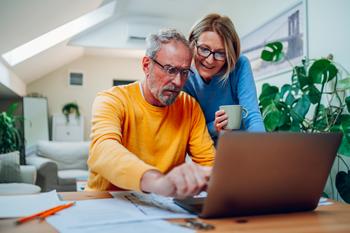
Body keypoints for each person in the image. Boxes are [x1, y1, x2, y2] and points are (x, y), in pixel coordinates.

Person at [86, 29, 215, 199]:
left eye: (184, 72)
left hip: (163, 206)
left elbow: (210, 163)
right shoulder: (112, 99)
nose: (178, 82)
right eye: (170, 69)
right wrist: (158, 182)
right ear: (147, 65)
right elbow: (103, 150)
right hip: (107, 202)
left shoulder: (189, 106)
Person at [183, 13, 265, 144]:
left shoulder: (239, 65)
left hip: (245, 146)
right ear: (192, 44)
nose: (210, 60)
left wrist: (263, 149)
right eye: (204, 49)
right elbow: (189, 133)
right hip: (209, 154)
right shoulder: (184, 77)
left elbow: (252, 116)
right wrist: (214, 127)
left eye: (220, 53)